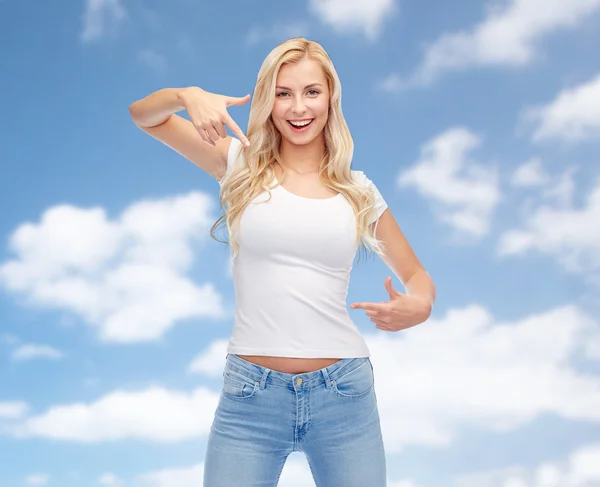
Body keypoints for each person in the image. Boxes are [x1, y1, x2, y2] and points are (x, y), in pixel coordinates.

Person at [129, 37, 436, 487]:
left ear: (331, 97)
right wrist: (186, 96)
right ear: (268, 100)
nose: (298, 108)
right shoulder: (238, 164)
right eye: (283, 92)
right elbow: (144, 117)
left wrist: (421, 304)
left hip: (344, 395)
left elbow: (416, 275)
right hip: (249, 398)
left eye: (311, 92)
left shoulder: (359, 191)